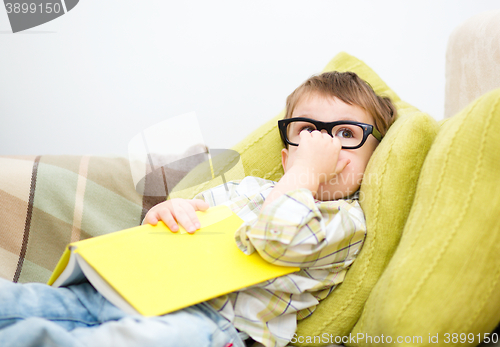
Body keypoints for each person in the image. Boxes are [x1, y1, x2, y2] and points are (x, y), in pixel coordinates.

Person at [0, 71, 396, 347]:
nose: (322, 145)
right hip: (135, 292)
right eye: (308, 133)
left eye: (346, 134)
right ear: (285, 157)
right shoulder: (249, 188)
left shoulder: (345, 221)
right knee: (24, 303)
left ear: (374, 161)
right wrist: (167, 213)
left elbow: (277, 241)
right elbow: (185, 221)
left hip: (209, 325)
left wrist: (307, 174)